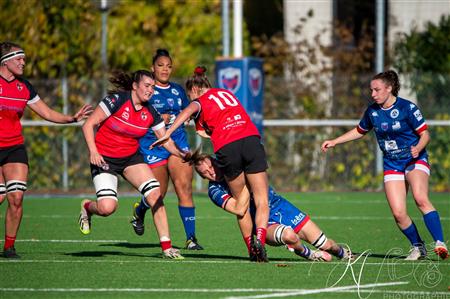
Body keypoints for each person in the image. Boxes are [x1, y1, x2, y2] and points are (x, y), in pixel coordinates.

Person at [321, 70, 448, 261]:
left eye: (377, 90)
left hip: (415, 159)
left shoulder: (407, 108)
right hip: (392, 163)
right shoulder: (373, 111)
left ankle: (440, 243)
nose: (373, 94)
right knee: (398, 213)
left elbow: (425, 135)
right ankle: (418, 247)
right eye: (371, 90)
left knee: (421, 198)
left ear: (389, 88)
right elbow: (359, 130)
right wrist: (335, 141)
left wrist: (418, 148)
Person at [151, 66, 270, 262]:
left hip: (228, 147)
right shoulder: (226, 93)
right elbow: (211, 125)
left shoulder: (199, 100)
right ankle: (261, 240)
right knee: (261, 200)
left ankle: (251, 250)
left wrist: (168, 133)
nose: (191, 99)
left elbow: (190, 110)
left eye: (190, 95)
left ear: (195, 90)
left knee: (241, 203)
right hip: (250, 138)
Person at [79, 70, 188, 260]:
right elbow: (88, 124)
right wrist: (93, 151)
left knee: (156, 194)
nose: (151, 90)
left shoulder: (151, 112)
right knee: (107, 208)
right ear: (135, 86)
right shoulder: (116, 101)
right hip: (104, 158)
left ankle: (167, 248)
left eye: (153, 87)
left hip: (130, 158)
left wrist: (183, 154)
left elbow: (165, 140)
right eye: (147, 86)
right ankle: (88, 207)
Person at [0, 41, 93, 259]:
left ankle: (9, 247)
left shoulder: (25, 87)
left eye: (23, 58)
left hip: (14, 147)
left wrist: (71, 118)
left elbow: (47, 113)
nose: (24, 62)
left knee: (16, 197)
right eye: (19, 59)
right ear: (5, 61)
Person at [191, 152, 353, 262]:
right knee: (290, 236)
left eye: (211, 167)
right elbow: (239, 210)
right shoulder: (215, 190)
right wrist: (245, 185)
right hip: (264, 221)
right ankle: (309, 254)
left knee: (328, 245)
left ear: (216, 162)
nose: (210, 173)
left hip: (281, 207)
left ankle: (344, 254)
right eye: (204, 173)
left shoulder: (237, 168)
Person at [131, 49, 202, 250]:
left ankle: (191, 239)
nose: (165, 69)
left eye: (169, 66)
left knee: (184, 187)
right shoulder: (147, 91)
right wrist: (156, 120)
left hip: (177, 144)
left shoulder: (178, 90)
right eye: (160, 65)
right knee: (158, 192)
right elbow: (138, 116)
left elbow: (189, 111)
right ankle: (140, 211)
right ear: (153, 68)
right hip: (153, 145)